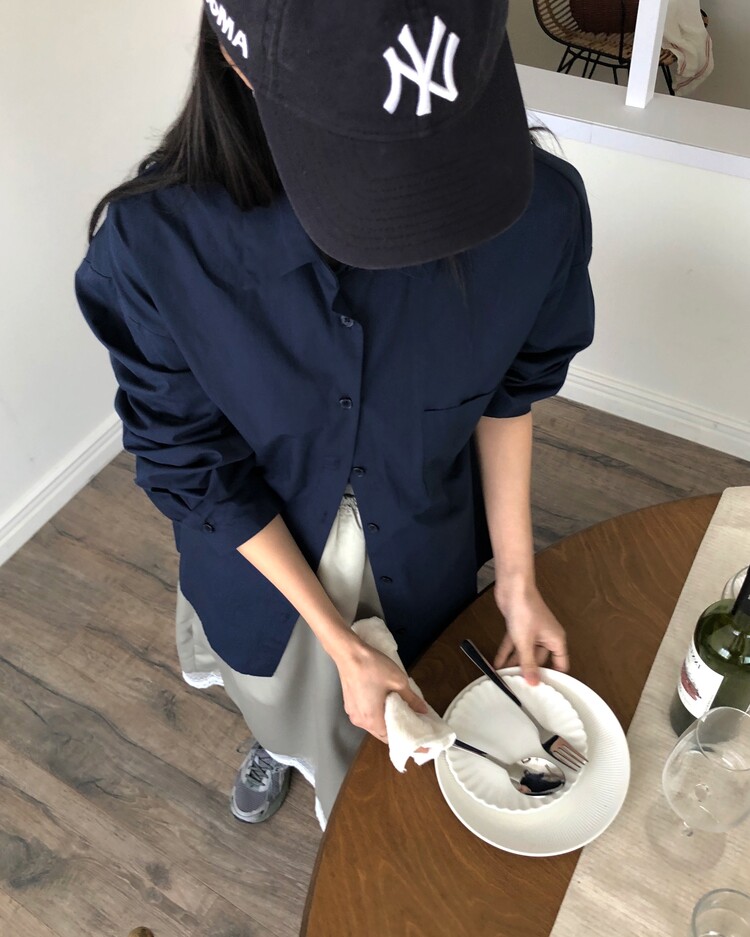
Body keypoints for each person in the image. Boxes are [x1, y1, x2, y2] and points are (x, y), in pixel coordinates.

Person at [75, 0, 595, 829]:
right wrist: (338, 638)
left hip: (425, 545)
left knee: (401, 710)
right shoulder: (155, 246)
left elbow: (508, 390)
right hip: (257, 565)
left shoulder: (539, 217)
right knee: (278, 691)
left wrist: (517, 577)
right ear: (239, 58)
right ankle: (277, 741)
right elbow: (194, 463)